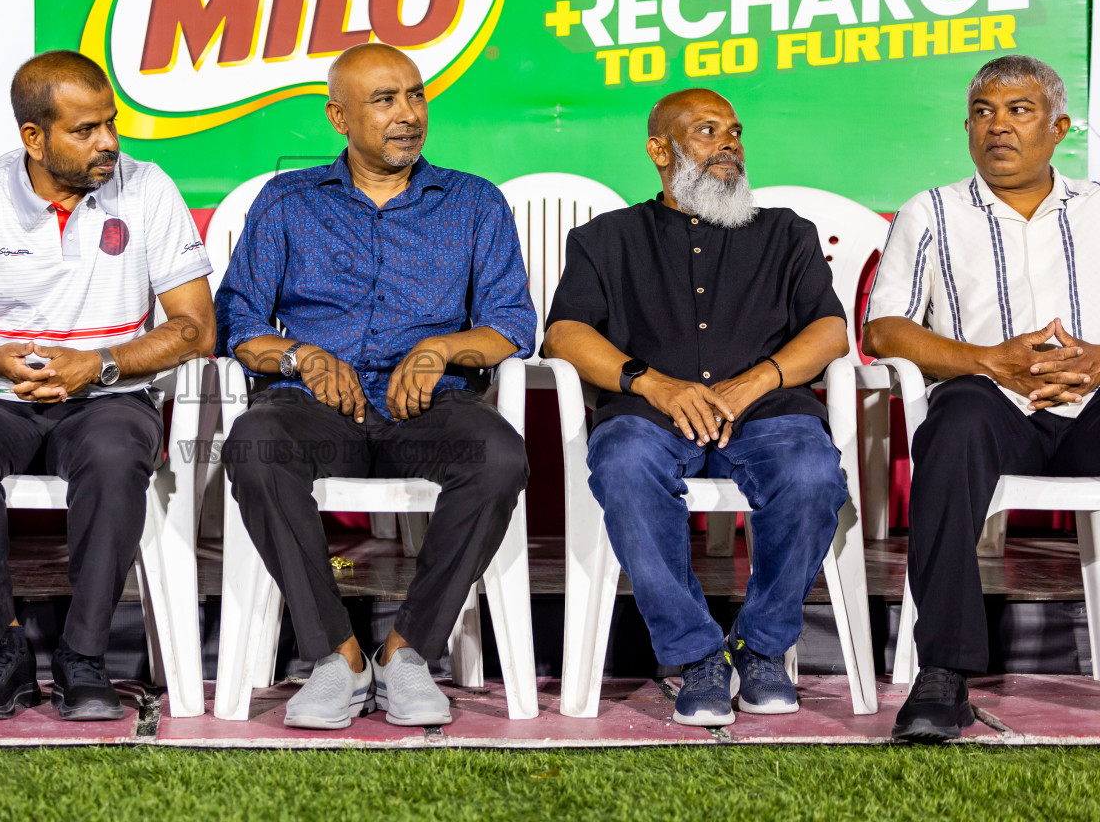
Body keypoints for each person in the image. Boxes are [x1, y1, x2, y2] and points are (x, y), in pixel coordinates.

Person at [215, 42, 535, 730]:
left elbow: (511, 323)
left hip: (429, 408)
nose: (408, 114)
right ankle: (338, 658)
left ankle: (408, 651)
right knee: (255, 445)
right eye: (385, 100)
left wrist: (441, 348)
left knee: (500, 457)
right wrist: (301, 356)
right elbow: (238, 321)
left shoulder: (474, 203)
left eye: (416, 95)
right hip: (315, 410)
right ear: (339, 117)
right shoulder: (288, 202)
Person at [0, 50, 214, 722]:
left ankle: (84, 656)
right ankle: (0, 650)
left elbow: (195, 329)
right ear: (33, 138)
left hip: (108, 396)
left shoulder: (148, 189)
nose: (109, 143)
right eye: (86, 130)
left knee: (117, 454)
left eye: (110, 124)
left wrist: (97, 364)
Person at [541, 88, 849, 728]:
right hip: (652, 411)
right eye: (708, 132)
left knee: (813, 474)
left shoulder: (787, 234)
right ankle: (698, 654)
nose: (729, 143)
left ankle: (760, 647)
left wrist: (753, 382)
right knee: (623, 463)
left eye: (734, 131)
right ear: (660, 150)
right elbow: (565, 333)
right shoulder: (605, 239)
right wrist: (654, 384)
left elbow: (829, 332)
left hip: (766, 409)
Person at [863, 54, 1100, 742]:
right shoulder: (932, 211)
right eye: (983, 113)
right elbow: (884, 327)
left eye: (1019, 111)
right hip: (994, 410)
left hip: (1091, 404)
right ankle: (943, 673)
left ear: (1058, 127)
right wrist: (987, 362)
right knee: (955, 420)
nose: (998, 126)